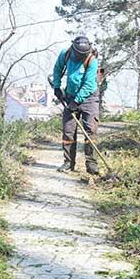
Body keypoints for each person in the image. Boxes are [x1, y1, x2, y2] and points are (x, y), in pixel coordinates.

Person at [51, 36, 100, 175]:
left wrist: (76, 102)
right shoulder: (65, 54)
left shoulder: (92, 60)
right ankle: (68, 162)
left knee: (90, 131)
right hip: (70, 95)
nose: (79, 56)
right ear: (73, 49)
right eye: (78, 54)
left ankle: (91, 164)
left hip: (89, 98)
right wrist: (57, 87)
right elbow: (57, 70)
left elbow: (89, 84)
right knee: (68, 131)